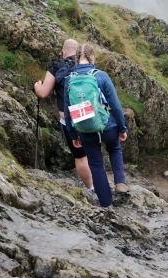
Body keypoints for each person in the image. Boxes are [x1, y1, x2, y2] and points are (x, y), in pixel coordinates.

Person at [63, 44, 129, 207]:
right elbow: (115, 104)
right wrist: (122, 128)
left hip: (85, 130)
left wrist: (73, 135)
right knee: (114, 148)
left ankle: (106, 203)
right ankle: (120, 182)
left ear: (76, 59)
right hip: (108, 127)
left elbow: (67, 110)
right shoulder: (101, 76)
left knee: (96, 164)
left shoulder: (69, 80)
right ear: (92, 58)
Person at [33, 39, 95, 202]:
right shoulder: (87, 66)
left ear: (63, 52)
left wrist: (37, 86)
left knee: (80, 157)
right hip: (91, 117)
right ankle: (99, 184)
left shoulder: (57, 67)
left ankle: (91, 189)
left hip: (70, 120)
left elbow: (44, 93)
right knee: (92, 153)